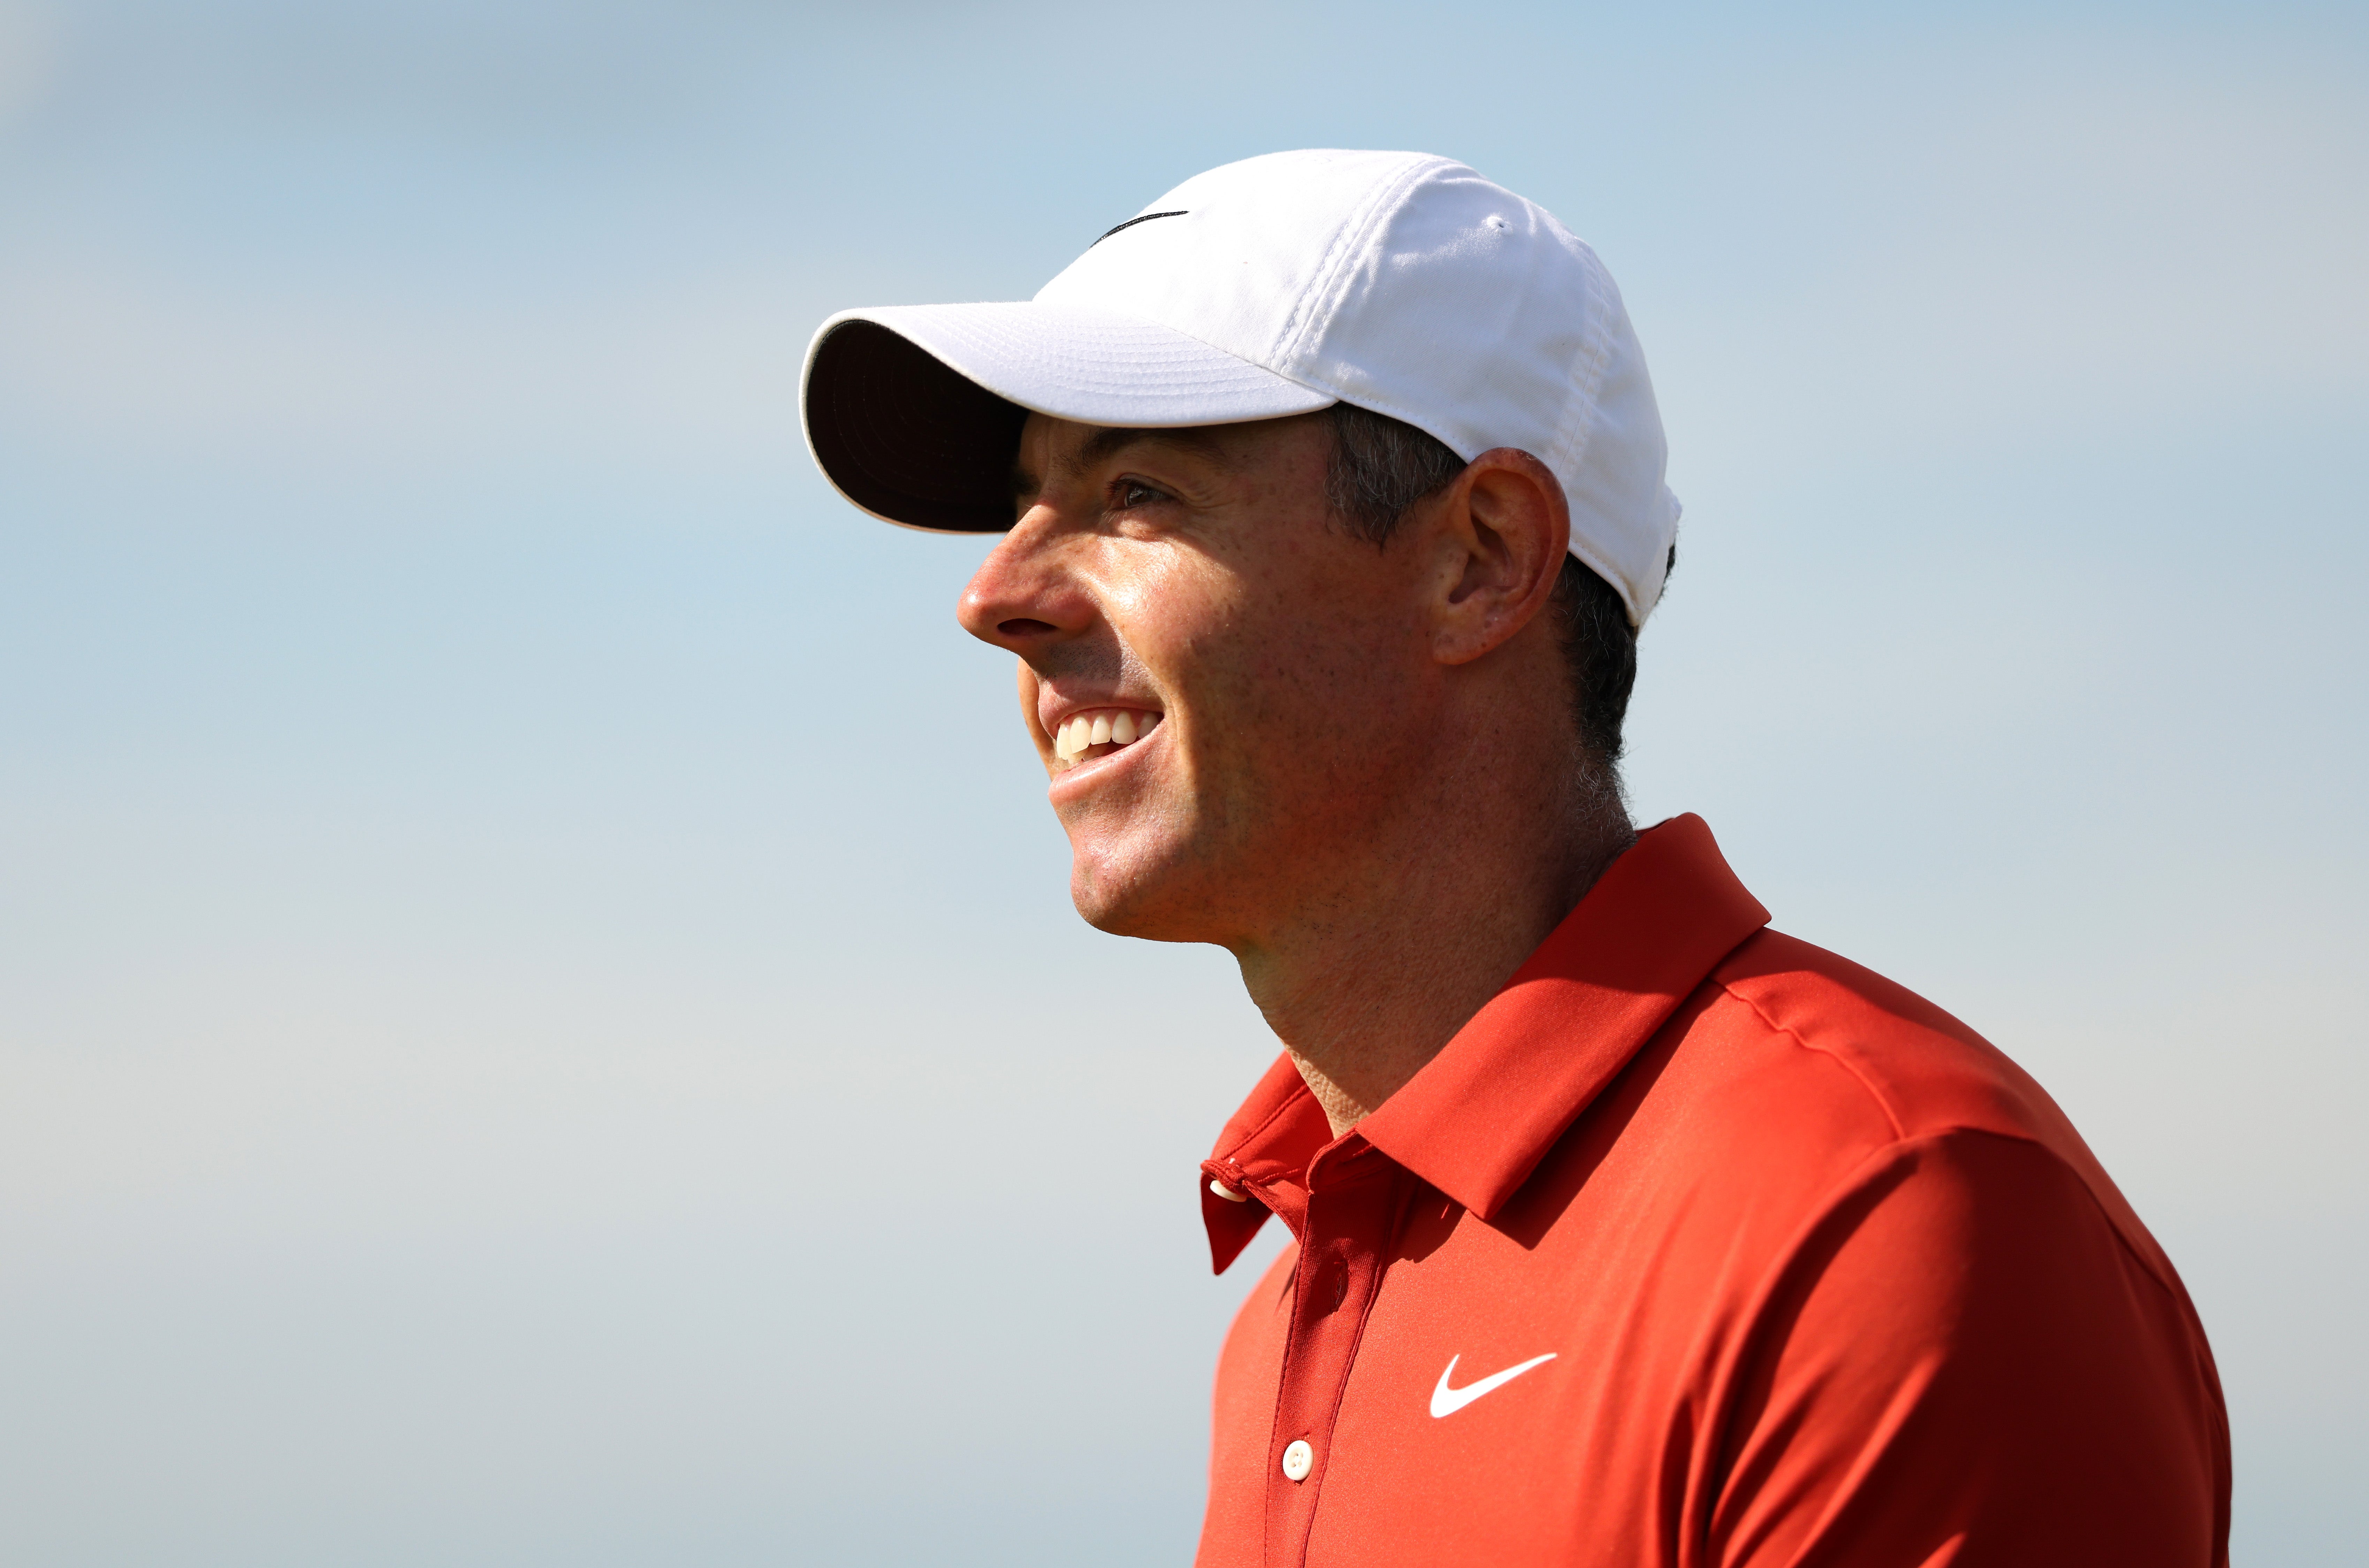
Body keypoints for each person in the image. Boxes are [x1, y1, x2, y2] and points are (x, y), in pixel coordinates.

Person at [799, 150, 2230, 1567]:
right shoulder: (1308, 1289)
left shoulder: (1880, 1218)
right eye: (1024, 504)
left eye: (1135, 494)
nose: (994, 596)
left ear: (1478, 559)